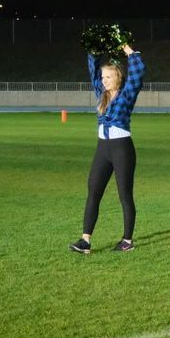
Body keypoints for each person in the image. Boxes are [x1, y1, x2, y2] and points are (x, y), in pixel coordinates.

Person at [69, 45, 145, 254]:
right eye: (103, 77)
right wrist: (95, 49)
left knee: (124, 195)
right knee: (93, 191)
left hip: (122, 149)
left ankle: (127, 240)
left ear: (118, 77)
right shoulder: (100, 93)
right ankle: (85, 241)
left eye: (109, 77)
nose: (104, 80)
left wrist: (129, 51)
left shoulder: (127, 94)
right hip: (102, 148)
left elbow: (138, 72)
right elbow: (92, 69)